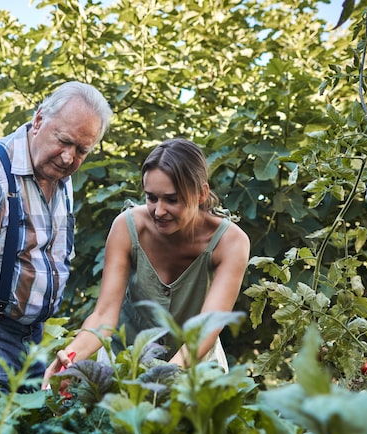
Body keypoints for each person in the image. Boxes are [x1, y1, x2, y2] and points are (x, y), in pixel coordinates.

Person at [0, 81, 113, 392]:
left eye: (82, 150)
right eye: (64, 141)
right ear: (39, 120)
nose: (69, 158)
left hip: (32, 341)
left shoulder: (60, 180)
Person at [42, 138, 250, 388]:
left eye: (172, 200)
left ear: (201, 194)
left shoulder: (231, 242)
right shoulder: (127, 226)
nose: (159, 211)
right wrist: (71, 359)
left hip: (195, 366)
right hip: (124, 363)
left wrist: (168, 376)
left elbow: (207, 326)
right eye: (151, 198)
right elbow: (105, 314)